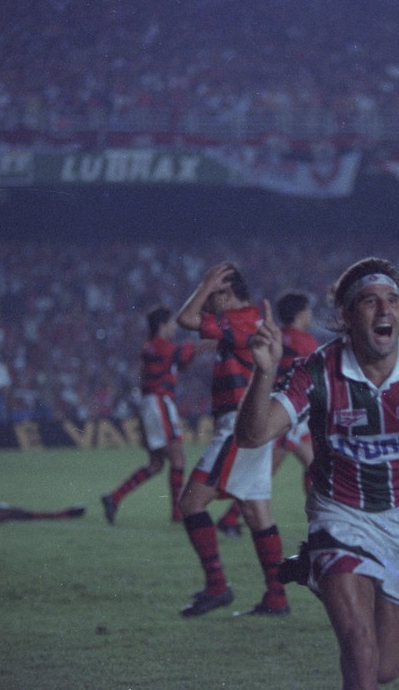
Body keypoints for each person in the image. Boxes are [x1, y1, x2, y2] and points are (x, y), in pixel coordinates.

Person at [235, 257, 399, 689]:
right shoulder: (317, 371)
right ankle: (326, 563)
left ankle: (316, 572)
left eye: (392, 300)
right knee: (360, 648)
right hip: (340, 516)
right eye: (369, 301)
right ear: (348, 317)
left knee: (384, 668)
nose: (384, 309)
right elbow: (254, 435)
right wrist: (264, 371)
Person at [174, 261, 288, 617]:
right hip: (252, 424)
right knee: (256, 512)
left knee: (190, 504)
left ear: (227, 292)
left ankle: (217, 586)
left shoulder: (241, 319)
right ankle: (276, 597)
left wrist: (207, 283)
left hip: (238, 427)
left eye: (213, 295)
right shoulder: (247, 322)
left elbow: (186, 319)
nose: (207, 302)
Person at [215, 290, 318, 533]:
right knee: (270, 471)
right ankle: (230, 519)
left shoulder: (275, 336)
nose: (310, 315)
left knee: (313, 463)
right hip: (291, 415)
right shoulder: (307, 342)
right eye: (308, 311)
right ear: (301, 313)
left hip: (275, 407)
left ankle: (317, 520)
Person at [101, 305, 206, 525]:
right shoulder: (162, 346)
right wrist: (220, 340)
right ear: (162, 325)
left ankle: (114, 497)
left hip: (149, 404)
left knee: (157, 463)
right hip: (159, 403)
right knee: (178, 459)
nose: (174, 328)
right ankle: (178, 514)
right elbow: (189, 351)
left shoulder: (151, 347)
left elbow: (180, 362)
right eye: (171, 324)